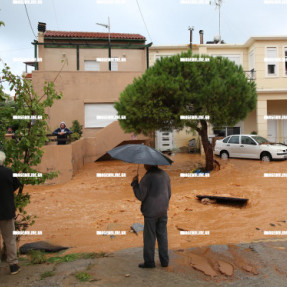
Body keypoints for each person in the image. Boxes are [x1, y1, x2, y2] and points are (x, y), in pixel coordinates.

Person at [131, 164, 171, 268]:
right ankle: (164, 261)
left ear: (148, 165)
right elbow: (169, 194)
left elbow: (140, 195)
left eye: (145, 163)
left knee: (149, 238)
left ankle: (149, 262)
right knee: (163, 236)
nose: (144, 165)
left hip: (151, 212)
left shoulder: (147, 177)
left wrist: (135, 183)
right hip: (163, 211)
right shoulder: (165, 175)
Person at [0, 151, 21, 275]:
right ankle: (13, 265)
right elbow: (16, 184)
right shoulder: (8, 172)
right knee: (9, 238)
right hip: (6, 210)